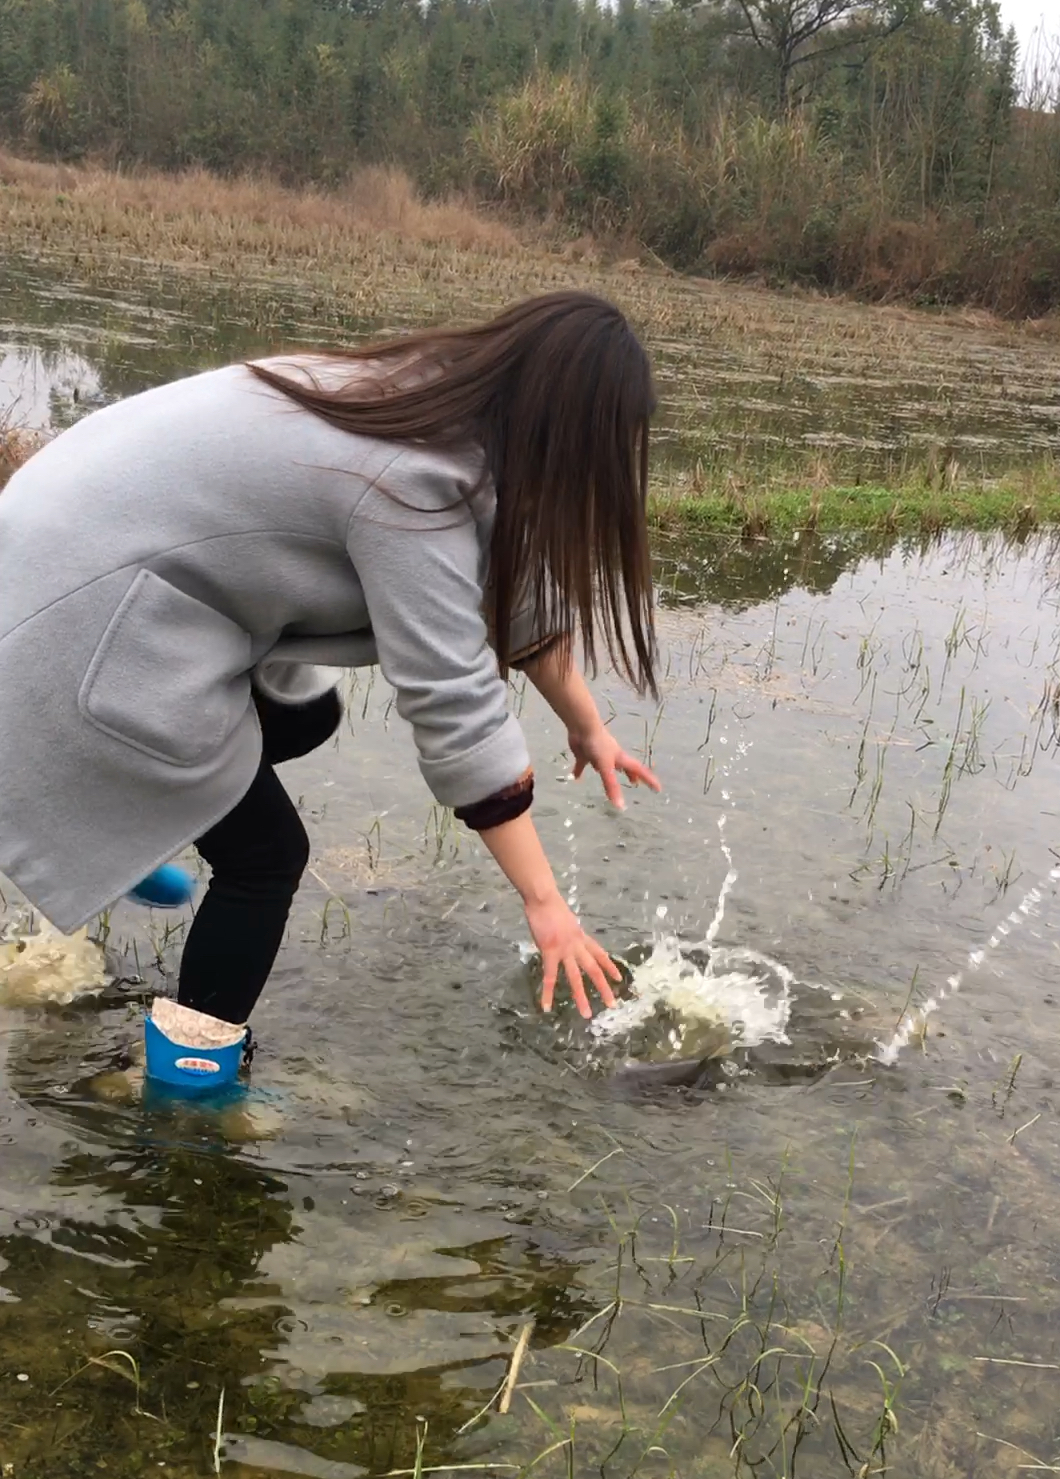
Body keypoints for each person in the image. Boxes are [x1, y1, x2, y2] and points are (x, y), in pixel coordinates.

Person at [0, 291, 661, 1089]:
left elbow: (515, 596)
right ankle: (188, 1088)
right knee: (267, 859)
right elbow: (451, 697)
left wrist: (589, 729)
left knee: (304, 714)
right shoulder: (413, 476)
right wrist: (546, 905)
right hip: (77, 614)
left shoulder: (419, 397)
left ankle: (114, 816)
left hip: (80, 564)